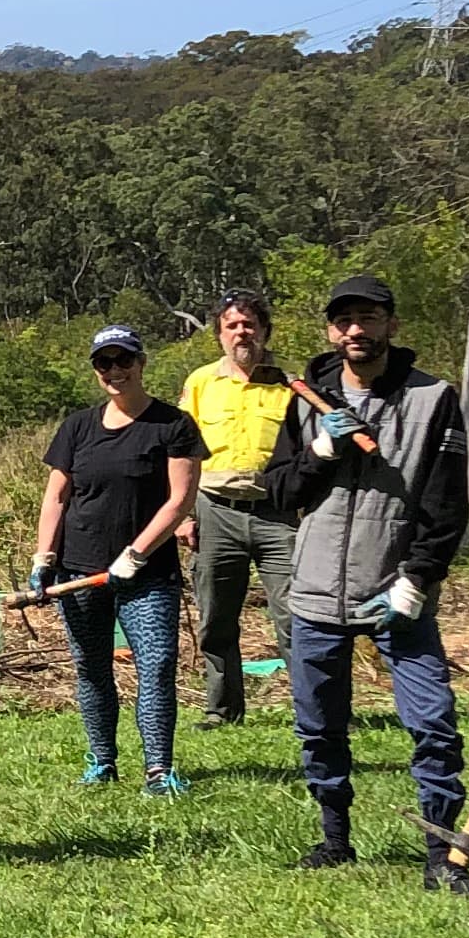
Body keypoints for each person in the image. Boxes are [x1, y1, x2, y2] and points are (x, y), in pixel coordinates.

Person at [258, 273, 469, 893]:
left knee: (432, 722)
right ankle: (335, 838)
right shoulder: (306, 400)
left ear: (391, 325)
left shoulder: (434, 398)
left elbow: (446, 506)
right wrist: (318, 455)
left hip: (395, 593)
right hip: (316, 592)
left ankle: (440, 854)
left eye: (369, 317)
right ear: (332, 330)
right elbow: (279, 492)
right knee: (318, 724)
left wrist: (418, 578)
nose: (356, 330)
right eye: (344, 320)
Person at [30, 324, 206, 793]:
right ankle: (102, 761)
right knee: (91, 667)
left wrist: (136, 553)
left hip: (147, 575)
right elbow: (57, 496)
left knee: (157, 664)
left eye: (123, 360)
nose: (114, 371)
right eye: (104, 363)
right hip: (79, 570)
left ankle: (158, 769)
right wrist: (44, 556)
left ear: (141, 364)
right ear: (96, 371)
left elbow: (180, 499)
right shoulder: (78, 427)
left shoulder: (173, 425)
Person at [179, 289, 298, 724]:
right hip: (215, 510)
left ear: (265, 331)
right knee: (216, 618)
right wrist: (183, 516)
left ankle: (311, 706)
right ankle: (222, 709)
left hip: (277, 514)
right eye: (232, 325)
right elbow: (181, 455)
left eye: (249, 324)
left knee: (294, 616)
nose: (241, 332)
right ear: (219, 335)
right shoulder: (200, 383)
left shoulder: (290, 386)